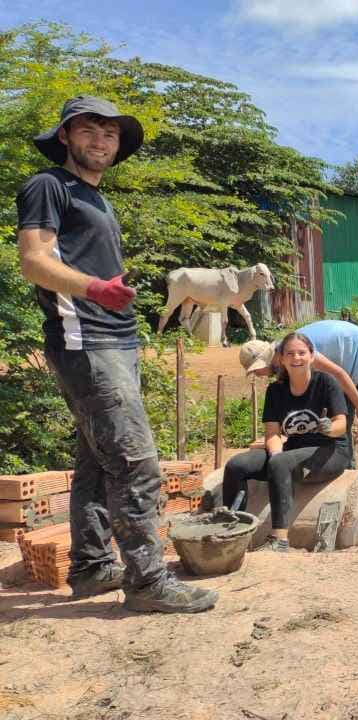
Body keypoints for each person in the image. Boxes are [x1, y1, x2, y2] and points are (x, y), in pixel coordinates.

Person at [16, 97, 216, 612]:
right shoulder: (49, 186)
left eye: (110, 133)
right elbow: (34, 261)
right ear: (65, 135)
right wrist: (95, 290)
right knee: (134, 463)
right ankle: (147, 583)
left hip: (117, 339)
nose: (101, 140)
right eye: (89, 129)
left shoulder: (98, 199)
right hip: (85, 339)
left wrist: (113, 295)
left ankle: (90, 567)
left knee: (96, 461)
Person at [222, 332, 352, 551]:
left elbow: (341, 424)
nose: (296, 358)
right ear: (281, 358)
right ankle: (232, 531)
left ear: (311, 356)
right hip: (295, 450)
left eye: (302, 353)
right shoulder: (275, 391)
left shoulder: (326, 383)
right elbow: (272, 434)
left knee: (281, 463)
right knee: (236, 466)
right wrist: (275, 455)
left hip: (330, 451)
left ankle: (279, 539)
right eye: (290, 354)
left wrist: (329, 428)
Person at [240, 319, 358, 468]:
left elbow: (339, 374)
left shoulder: (298, 353)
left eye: (256, 370)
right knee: (342, 422)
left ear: (266, 360)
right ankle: (348, 472)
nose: (257, 374)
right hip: (341, 367)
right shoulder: (284, 363)